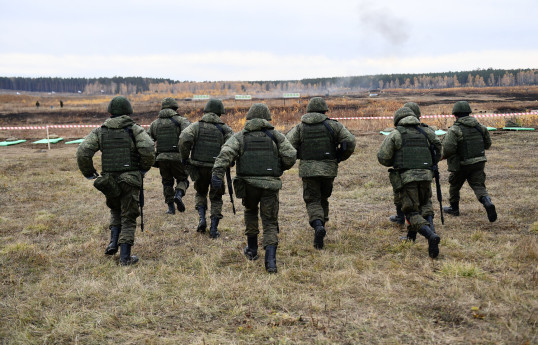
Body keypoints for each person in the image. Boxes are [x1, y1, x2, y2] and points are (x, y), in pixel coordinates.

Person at [211, 103, 296, 273]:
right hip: (270, 186)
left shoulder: (240, 136)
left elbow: (225, 154)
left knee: (250, 212)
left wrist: (217, 175)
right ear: (267, 118)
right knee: (270, 221)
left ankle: (252, 250)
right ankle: (270, 262)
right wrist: (279, 167)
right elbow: (291, 155)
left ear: (249, 118)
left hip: (248, 185)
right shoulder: (276, 136)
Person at [76, 96, 155, 265]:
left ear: (110, 112)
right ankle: (125, 257)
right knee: (129, 216)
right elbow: (148, 148)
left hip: (109, 181)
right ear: (128, 111)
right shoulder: (134, 130)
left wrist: (90, 172)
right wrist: (143, 168)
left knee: (115, 210)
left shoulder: (100, 131)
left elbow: (83, 151)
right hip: (130, 180)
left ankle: (113, 242)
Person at [286, 97, 356, 249]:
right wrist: (339, 157)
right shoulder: (333, 126)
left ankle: (318, 226)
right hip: (328, 169)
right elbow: (350, 142)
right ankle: (321, 226)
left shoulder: (300, 128)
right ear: (325, 110)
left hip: (308, 170)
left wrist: (299, 156)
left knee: (313, 200)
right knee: (323, 198)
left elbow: (288, 146)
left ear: (309, 110)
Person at [377, 107, 442, 258]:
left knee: (410, 211)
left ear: (398, 119)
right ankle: (417, 235)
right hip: (426, 175)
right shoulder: (427, 132)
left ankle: (430, 236)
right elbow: (438, 149)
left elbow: (383, 157)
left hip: (407, 178)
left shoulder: (396, 134)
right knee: (425, 204)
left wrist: (396, 160)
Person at [179, 99, 234, 238]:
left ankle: (202, 219)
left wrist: (185, 158)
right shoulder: (225, 129)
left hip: (199, 167)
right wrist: (228, 162)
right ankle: (214, 229)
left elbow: (184, 139)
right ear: (219, 112)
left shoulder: (196, 126)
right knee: (216, 197)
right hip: (217, 169)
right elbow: (232, 147)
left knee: (201, 193)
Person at [441, 101, 497, 222]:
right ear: (469, 113)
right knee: (478, 186)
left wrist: (441, 157)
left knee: (454, 186)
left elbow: (448, 149)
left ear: (455, 115)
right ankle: (487, 202)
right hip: (479, 163)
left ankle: (454, 208)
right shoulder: (480, 127)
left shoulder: (455, 130)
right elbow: (487, 145)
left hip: (462, 164)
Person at [148, 97, 191, 214]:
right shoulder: (181, 121)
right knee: (183, 179)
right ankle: (178, 194)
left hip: (161, 158)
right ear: (175, 108)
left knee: (167, 182)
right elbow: (188, 137)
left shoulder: (155, 123)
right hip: (178, 157)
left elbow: (147, 141)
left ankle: (171, 208)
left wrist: (152, 156)